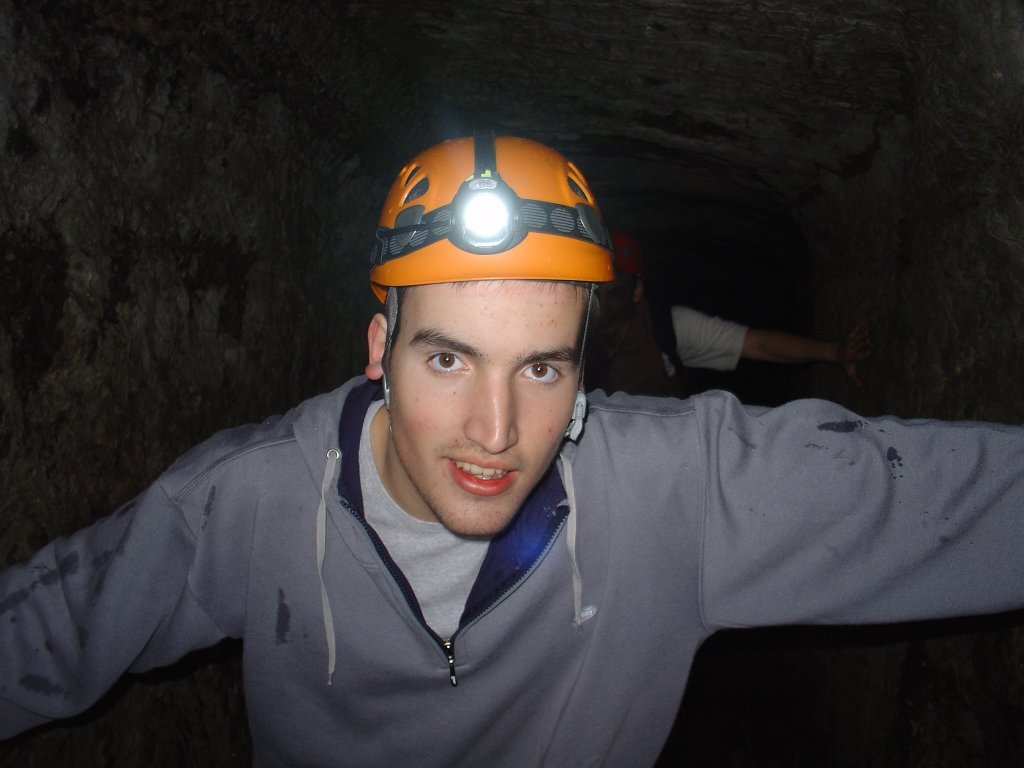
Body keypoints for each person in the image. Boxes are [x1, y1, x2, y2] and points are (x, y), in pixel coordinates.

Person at [2, 133, 1023, 768]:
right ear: (379, 351)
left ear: (583, 370)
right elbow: (47, 634)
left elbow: (951, 502)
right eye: (448, 359)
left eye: (540, 368)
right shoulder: (248, 502)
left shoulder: (672, 495)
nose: (494, 433)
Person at [590, 229, 873, 396]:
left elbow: (756, 344)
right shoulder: (569, 331)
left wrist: (833, 352)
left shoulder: (665, 328)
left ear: (636, 290)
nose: (600, 304)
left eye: (614, 293)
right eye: (592, 291)